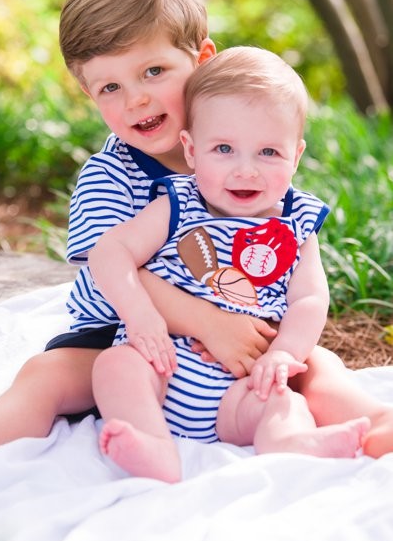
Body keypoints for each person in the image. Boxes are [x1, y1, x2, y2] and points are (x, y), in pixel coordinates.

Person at [0, 0, 393, 474]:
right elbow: (112, 269)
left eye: (153, 70)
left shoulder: (243, 150)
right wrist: (210, 323)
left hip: (240, 342)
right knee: (48, 375)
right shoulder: (113, 175)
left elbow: (291, 266)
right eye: (110, 88)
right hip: (125, 334)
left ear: (202, 59)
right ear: (88, 94)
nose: (137, 98)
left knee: (316, 367)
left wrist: (272, 343)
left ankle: (374, 424)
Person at [89, 46, 370, 482]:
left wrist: (282, 356)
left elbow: (310, 298)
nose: (246, 170)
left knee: (282, 400)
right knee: (114, 367)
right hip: (163, 366)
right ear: (192, 150)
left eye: (268, 153)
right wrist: (140, 316)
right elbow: (109, 252)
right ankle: (153, 444)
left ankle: (290, 442)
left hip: (242, 387)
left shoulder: (297, 222)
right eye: (224, 149)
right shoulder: (179, 203)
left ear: (295, 156)